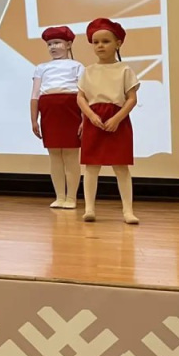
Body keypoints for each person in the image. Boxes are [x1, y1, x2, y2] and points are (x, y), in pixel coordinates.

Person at [77, 18, 140, 225]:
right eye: (96, 42)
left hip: (117, 120)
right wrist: (90, 115)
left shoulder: (124, 70)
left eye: (105, 41)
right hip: (94, 120)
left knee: (121, 167)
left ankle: (128, 210)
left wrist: (117, 118)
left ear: (118, 43)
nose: (100, 46)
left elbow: (132, 98)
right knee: (91, 167)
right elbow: (81, 97)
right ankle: (89, 208)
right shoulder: (88, 71)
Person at [31, 26, 85, 209]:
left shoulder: (77, 66)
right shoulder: (41, 68)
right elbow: (35, 95)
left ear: (68, 44)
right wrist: (34, 119)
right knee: (54, 155)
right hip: (49, 110)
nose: (52, 47)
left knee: (71, 155)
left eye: (57, 43)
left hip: (71, 108)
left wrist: (84, 119)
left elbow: (83, 94)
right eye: (49, 44)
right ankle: (60, 196)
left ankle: (71, 197)